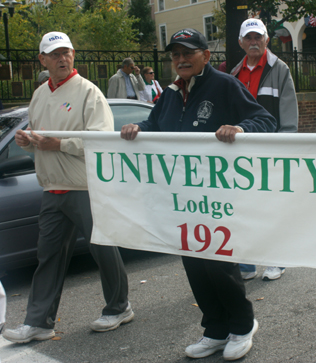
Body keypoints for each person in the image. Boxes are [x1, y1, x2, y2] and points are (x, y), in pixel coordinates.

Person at [121, 28, 276, 361]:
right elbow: (154, 124)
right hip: (180, 197)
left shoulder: (224, 85)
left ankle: (243, 324)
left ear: (205, 56)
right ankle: (216, 329)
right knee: (193, 262)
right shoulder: (171, 93)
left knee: (219, 264)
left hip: (216, 195)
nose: (180, 60)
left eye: (187, 53)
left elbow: (265, 119)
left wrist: (240, 129)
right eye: (175, 55)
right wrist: (139, 129)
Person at [2, 31, 132, 344]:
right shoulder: (39, 95)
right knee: (48, 257)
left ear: (73, 55)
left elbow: (101, 142)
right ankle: (39, 322)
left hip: (85, 187)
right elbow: (39, 139)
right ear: (42, 60)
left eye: (67, 52)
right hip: (52, 189)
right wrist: (27, 141)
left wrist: (57, 144)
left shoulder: (89, 92)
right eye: (55, 54)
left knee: (103, 249)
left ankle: (119, 307)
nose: (62, 59)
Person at [230, 18, 298, 281]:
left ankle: (276, 260)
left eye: (258, 37)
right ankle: (247, 263)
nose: (254, 42)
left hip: (271, 150)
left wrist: (285, 146)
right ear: (241, 42)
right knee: (244, 208)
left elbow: (289, 115)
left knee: (271, 207)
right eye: (249, 38)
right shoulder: (234, 73)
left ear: (267, 40)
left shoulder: (279, 69)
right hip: (243, 153)